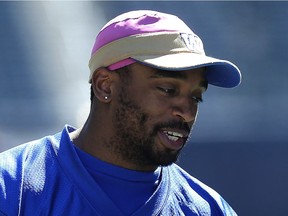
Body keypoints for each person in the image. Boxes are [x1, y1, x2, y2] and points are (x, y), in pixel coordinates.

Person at [0, 10, 241, 216]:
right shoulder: (12, 185)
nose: (187, 112)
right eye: (167, 89)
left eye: (196, 97)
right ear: (105, 85)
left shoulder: (208, 209)